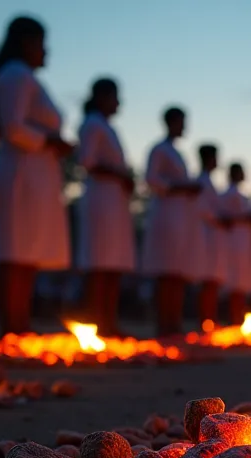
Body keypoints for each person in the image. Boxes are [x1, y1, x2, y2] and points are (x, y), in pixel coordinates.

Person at [0, 16, 72, 337]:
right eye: (41, 44)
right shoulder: (16, 76)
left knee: (27, 248)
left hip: (36, 171)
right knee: (14, 248)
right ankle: (11, 325)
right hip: (20, 171)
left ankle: (19, 323)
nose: (45, 52)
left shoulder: (25, 78)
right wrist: (50, 141)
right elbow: (13, 126)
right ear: (26, 43)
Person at [75, 77, 135, 337]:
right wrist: (119, 174)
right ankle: (95, 319)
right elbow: (87, 161)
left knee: (113, 260)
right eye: (114, 96)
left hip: (114, 200)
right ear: (101, 96)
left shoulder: (106, 127)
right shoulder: (92, 125)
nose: (118, 103)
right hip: (101, 199)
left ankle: (109, 320)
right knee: (100, 260)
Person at [141, 106, 202, 337]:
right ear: (171, 122)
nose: (184, 127)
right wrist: (181, 187)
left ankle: (174, 321)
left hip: (179, 216)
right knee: (166, 270)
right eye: (181, 122)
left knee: (176, 270)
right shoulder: (159, 150)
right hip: (165, 215)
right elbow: (152, 179)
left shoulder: (176, 152)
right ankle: (164, 322)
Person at [220, 162, 251, 324]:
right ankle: (233, 318)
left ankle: (239, 318)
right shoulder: (229, 194)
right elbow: (224, 216)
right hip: (233, 242)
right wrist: (245, 218)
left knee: (241, 282)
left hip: (243, 242)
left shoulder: (240, 195)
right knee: (234, 281)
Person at [194, 143, 224, 327]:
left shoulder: (209, 182)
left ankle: (209, 319)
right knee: (207, 278)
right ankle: (204, 319)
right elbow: (203, 209)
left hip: (213, 235)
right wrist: (220, 219)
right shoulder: (201, 181)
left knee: (213, 279)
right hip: (205, 234)